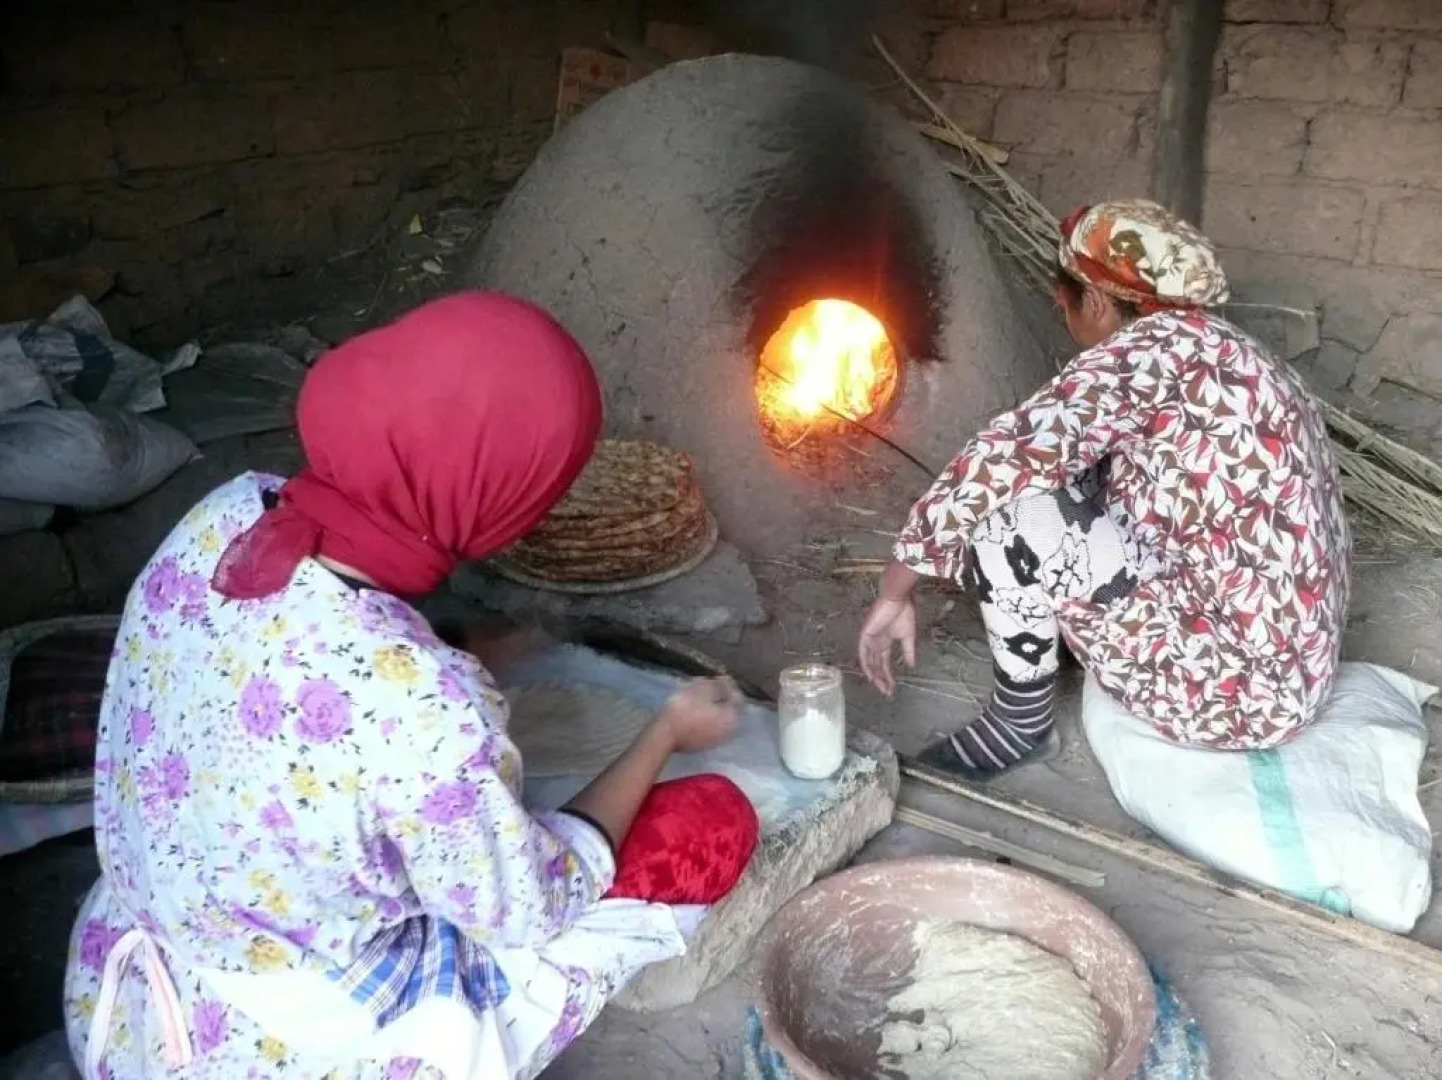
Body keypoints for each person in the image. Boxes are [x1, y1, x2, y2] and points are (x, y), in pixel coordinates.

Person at [64, 292, 759, 1079]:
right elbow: (531, 903)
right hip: (277, 1027)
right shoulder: (432, 711)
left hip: (154, 932)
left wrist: (465, 647)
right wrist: (665, 731)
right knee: (711, 822)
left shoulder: (228, 516)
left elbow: (296, 651)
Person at [858, 199, 1350, 780]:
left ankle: (1018, 725)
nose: (1062, 311)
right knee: (1075, 475)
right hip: (1294, 670)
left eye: (1063, 301)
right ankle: (1062, 637)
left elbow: (999, 460)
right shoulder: (1232, 351)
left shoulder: (1140, 358)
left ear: (1093, 300)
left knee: (1008, 520)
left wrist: (897, 586)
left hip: (1234, 699)